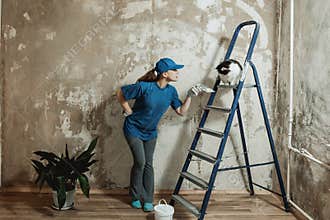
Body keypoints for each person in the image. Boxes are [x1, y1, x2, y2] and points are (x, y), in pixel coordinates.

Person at [116, 57, 204, 212]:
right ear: (164, 73)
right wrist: (128, 110)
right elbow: (120, 93)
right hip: (133, 129)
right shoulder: (144, 87)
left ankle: (148, 199)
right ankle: (136, 196)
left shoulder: (171, 92)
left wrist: (190, 95)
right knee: (140, 162)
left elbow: (181, 112)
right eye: (174, 70)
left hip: (150, 132)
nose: (177, 73)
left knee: (148, 164)